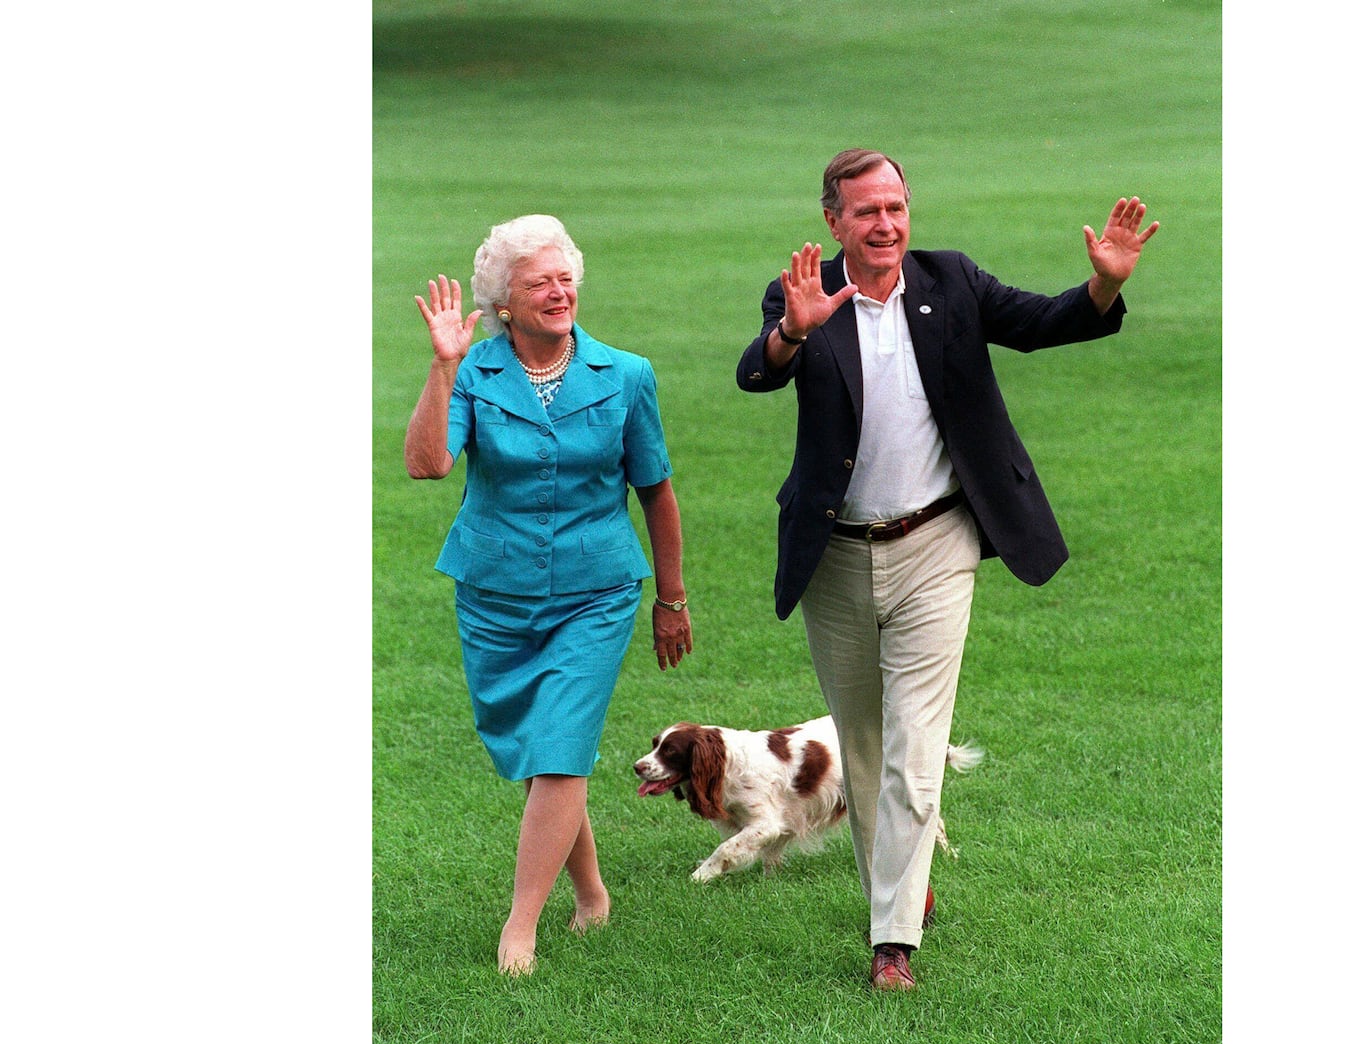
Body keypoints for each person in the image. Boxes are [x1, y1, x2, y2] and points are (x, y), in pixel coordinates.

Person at [735, 149, 1157, 990]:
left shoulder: (951, 280)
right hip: (836, 554)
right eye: (866, 212)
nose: (886, 224)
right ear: (834, 222)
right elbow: (756, 371)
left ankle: (892, 939)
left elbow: (1044, 321)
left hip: (938, 542)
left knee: (915, 745)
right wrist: (794, 330)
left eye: (895, 206)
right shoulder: (804, 291)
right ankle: (902, 884)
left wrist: (1105, 284)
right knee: (860, 745)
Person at [405, 213, 693, 976]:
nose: (559, 291)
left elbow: (656, 491)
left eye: (566, 278)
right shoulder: (474, 372)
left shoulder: (625, 374)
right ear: (504, 301)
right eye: (540, 282)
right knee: (541, 754)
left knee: (562, 748)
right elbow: (429, 464)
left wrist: (671, 598)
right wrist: (442, 368)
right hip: (494, 593)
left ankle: (520, 928)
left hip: (596, 592)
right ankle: (593, 892)